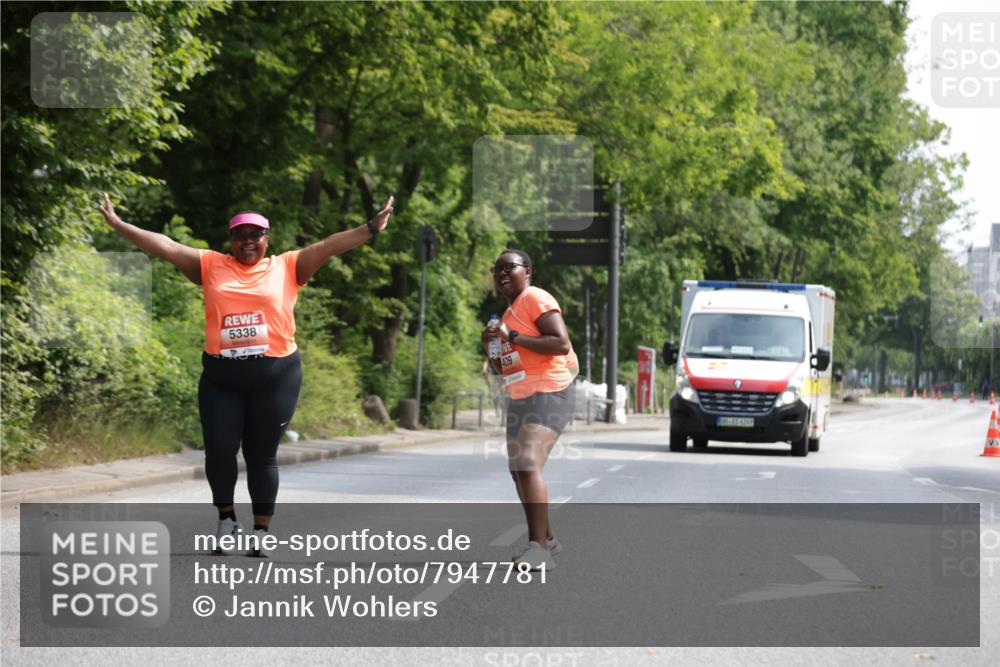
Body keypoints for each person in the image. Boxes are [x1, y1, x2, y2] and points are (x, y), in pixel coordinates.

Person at [97, 192, 393, 556]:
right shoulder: (210, 265)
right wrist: (119, 224)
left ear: (268, 239)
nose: (248, 242)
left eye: (256, 235)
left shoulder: (287, 266)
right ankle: (226, 520)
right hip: (222, 378)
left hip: (276, 375)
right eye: (241, 236)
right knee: (220, 450)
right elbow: (166, 246)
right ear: (230, 239)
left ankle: (262, 531)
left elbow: (328, 245)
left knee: (261, 455)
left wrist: (370, 228)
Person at [482, 250, 577, 571]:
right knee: (518, 470)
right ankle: (547, 538)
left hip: (551, 391)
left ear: (529, 272)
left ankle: (539, 549)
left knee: (526, 463)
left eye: (509, 267)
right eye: (497, 270)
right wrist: (492, 348)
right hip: (522, 396)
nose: (502, 274)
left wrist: (514, 336)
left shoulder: (535, 297)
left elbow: (560, 343)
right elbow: (507, 367)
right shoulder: (508, 314)